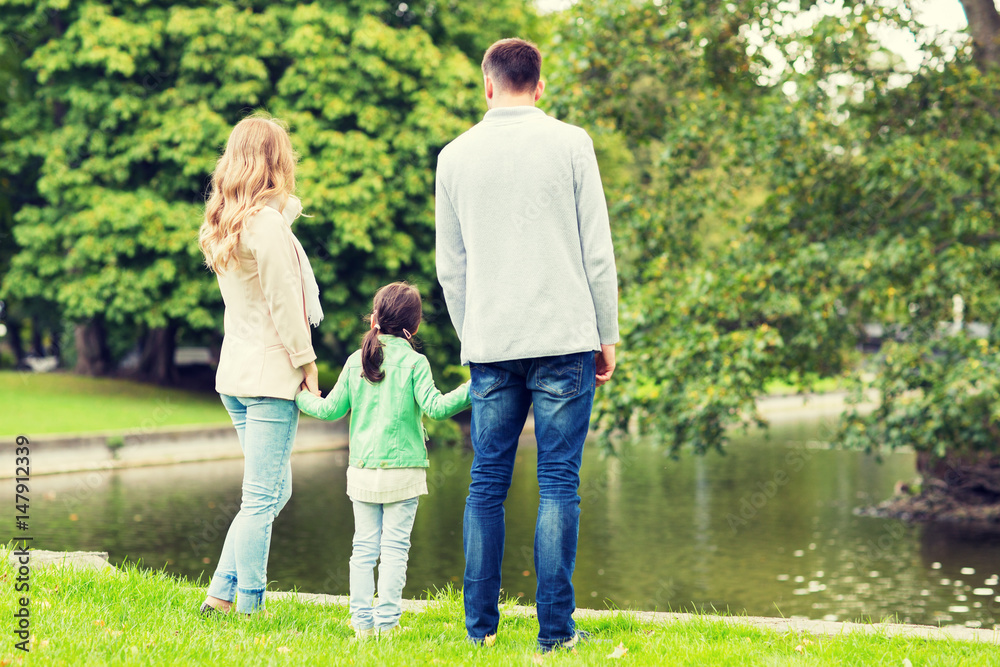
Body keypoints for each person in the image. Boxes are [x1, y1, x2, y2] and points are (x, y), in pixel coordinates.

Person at [435, 38, 619, 651]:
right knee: (558, 483)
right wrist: (606, 334)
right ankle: (555, 636)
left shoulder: (453, 157)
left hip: (492, 342)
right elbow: (598, 251)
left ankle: (479, 633)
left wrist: (474, 331)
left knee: (486, 482)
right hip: (565, 335)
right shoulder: (572, 144)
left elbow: (449, 267)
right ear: (539, 86)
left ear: (488, 85)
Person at [197, 114, 324, 616]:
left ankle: (219, 597)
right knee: (261, 498)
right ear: (277, 160)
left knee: (272, 490)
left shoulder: (227, 220)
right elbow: (283, 304)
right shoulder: (266, 225)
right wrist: (307, 362)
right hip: (270, 376)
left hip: (237, 373)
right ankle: (249, 606)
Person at [295, 282, 471, 638]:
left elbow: (330, 410)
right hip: (404, 473)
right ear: (415, 326)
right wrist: (475, 387)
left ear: (375, 317)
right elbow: (436, 407)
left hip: (362, 472)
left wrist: (300, 398)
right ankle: (387, 625)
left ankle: (362, 625)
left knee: (363, 549)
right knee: (394, 551)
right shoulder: (414, 362)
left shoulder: (355, 361)